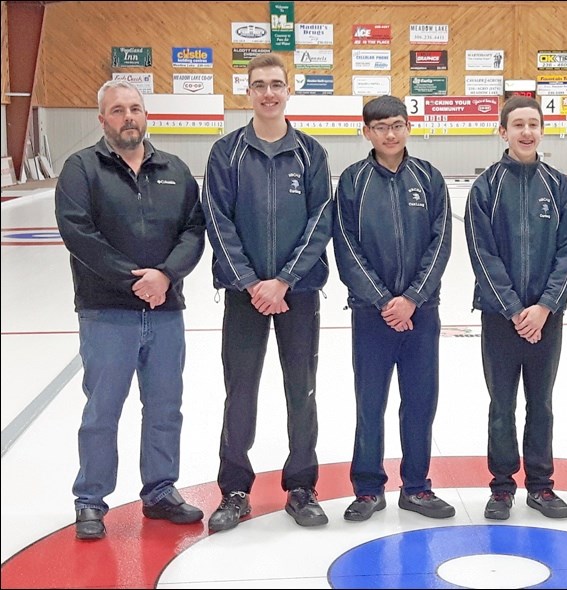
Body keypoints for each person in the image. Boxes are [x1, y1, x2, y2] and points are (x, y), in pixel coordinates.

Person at [55, 80, 206, 540]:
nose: (128, 117)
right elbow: (78, 232)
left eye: (135, 109)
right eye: (117, 110)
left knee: (164, 406)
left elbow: (194, 231)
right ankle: (90, 500)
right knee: (102, 410)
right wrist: (134, 280)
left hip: (166, 310)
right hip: (106, 312)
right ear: (102, 120)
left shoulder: (175, 170)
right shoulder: (82, 169)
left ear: (146, 116)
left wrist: (165, 276)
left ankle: (160, 490)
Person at [201, 54, 334, 531]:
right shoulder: (227, 153)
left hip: (297, 293)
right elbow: (218, 219)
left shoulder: (311, 154)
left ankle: (302, 487)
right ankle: (235, 489)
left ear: (288, 89)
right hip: (244, 294)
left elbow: (322, 221)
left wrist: (284, 281)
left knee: (302, 390)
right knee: (240, 391)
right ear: (248, 91)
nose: (269, 93)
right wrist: (252, 282)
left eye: (276, 84)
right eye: (259, 85)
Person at [333, 95, 454, 522]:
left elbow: (441, 243)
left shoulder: (429, 177)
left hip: (422, 312)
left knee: (420, 401)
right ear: (366, 131)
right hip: (371, 314)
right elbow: (346, 248)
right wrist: (384, 301)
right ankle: (367, 488)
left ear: (408, 127)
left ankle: (417, 487)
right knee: (370, 401)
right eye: (381, 126)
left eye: (398, 125)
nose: (390, 133)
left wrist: (413, 298)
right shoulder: (351, 181)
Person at [465, 95, 567, 521]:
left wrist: (545, 306)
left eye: (533, 124)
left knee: (542, 403)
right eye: (518, 125)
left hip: (547, 319)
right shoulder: (485, 188)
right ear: (503, 132)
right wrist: (515, 310)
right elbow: (483, 254)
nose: (527, 132)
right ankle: (501, 486)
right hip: (501, 317)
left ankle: (541, 485)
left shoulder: (560, 186)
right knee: (502, 404)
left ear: (542, 130)